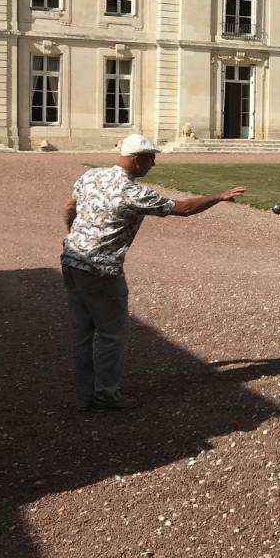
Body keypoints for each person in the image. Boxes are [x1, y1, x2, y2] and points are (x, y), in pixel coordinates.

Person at [62, 135, 246, 411]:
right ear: (136, 159)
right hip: (102, 269)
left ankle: (84, 397)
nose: (153, 164)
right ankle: (105, 398)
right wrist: (218, 196)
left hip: (72, 260)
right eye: (150, 158)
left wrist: (75, 235)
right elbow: (183, 208)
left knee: (82, 332)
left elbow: (69, 207)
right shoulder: (134, 193)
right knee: (112, 334)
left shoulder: (91, 176)